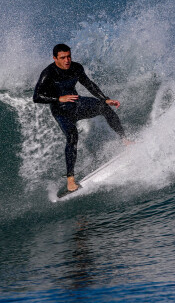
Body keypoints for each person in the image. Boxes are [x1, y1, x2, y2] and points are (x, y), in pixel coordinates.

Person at [33, 44, 130, 192]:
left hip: (77, 104)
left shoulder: (76, 68)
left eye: (69, 56)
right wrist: (58, 98)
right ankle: (70, 181)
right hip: (61, 112)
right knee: (72, 136)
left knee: (105, 108)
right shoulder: (48, 73)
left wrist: (105, 99)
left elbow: (89, 85)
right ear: (55, 58)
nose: (67, 60)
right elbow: (37, 96)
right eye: (62, 58)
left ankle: (125, 140)